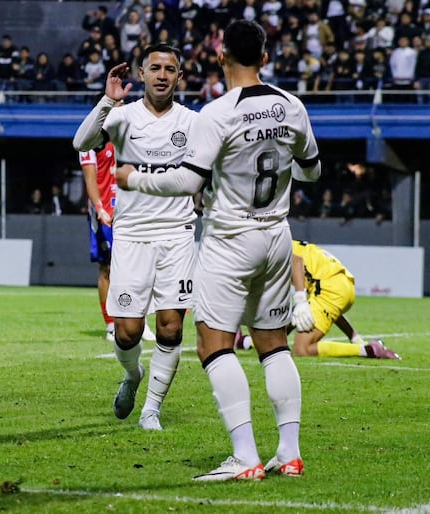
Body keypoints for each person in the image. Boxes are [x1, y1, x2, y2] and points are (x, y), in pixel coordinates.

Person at [116, 20, 322, 481]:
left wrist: (135, 178)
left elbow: (188, 182)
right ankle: (288, 453)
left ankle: (245, 456)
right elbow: (312, 172)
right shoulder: (292, 105)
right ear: (265, 58)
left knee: (213, 343)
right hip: (276, 236)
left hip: (230, 238)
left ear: (221, 56)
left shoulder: (218, 112)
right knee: (274, 344)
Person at [73, 43, 198, 432]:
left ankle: (151, 411)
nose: (163, 75)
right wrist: (106, 102)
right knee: (127, 332)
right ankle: (131, 376)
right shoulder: (122, 116)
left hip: (177, 234)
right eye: (155, 68)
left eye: (171, 69)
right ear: (141, 74)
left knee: (171, 327)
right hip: (131, 236)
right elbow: (81, 142)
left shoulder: (194, 122)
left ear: (180, 76)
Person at [235, 241, 401, 360]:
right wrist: (353, 335)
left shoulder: (272, 247)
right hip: (341, 286)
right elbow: (328, 307)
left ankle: (368, 350)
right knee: (291, 322)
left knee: (301, 349)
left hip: (329, 288)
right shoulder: (285, 242)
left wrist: (300, 299)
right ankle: (246, 342)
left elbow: (296, 261)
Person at [79, 141, 157, 343]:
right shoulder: (92, 139)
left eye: (121, 105)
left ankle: (141, 322)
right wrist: (98, 208)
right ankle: (111, 324)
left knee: (139, 268)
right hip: (106, 214)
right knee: (108, 269)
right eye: (115, 105)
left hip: (132, 212)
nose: (119, 107)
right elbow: (90, 178)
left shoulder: (132, 134)